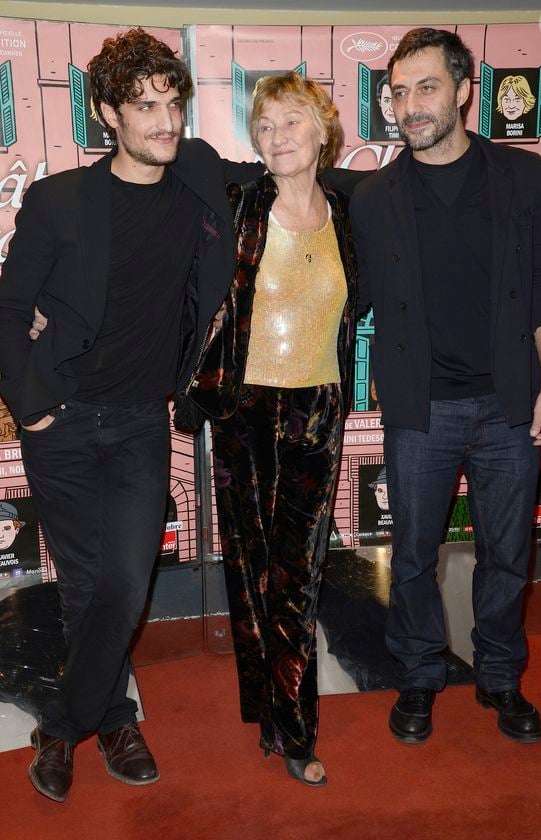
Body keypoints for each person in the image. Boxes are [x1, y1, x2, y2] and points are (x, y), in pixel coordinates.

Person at [0, 28, 259, 803]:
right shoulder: (59, 201)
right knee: (89, 585)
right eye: (143, 105)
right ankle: (114, 717)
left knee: (123, 579)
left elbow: (289, 174)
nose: (164, 120)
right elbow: (9, 310)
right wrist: (33, 406)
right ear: (108, 113)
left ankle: (65, 723)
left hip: (145, 420)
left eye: (172, 101)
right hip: (66, 422)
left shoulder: (201, 176)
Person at [350, 28, 541, 745]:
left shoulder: (522, 179)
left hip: (510, 404)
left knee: (508, 553)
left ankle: (501, 679)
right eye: (399, 92)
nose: (409, 106)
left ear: (466, 91)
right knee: (412, 554)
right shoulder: (375, 197)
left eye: (426, 88)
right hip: (421, 409)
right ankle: (418, 677)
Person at [176, 72, 357, 786]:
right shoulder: (238, 204)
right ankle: (270, 708)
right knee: (250, 571)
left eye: (291, 121)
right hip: (244, 411)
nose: (277, 136)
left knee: (297, 574)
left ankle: (295, 729)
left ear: (322, 131)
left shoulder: (349, 210)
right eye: (265, 125)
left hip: (318, 408)